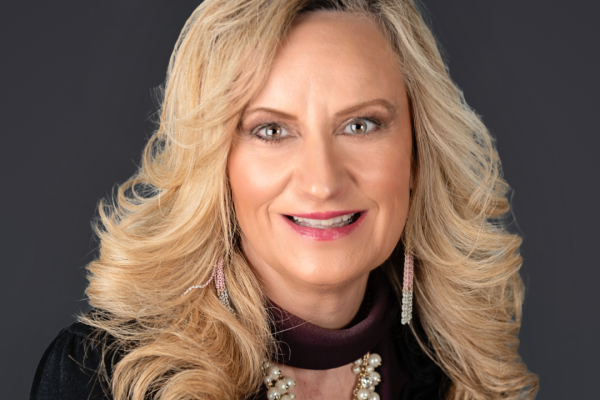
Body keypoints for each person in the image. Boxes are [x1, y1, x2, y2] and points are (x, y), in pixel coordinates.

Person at [29, 0, 539, 399]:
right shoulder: (104, 378)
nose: (322, 182)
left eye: (361, 125)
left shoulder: (460, 373)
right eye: (271, 130)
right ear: (217, 164)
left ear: (417, 152)